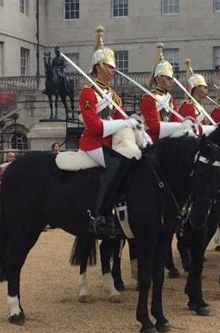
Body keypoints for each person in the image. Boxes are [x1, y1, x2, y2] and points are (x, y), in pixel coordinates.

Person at [79, 26, 140, 237]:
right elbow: (95, 126)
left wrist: (132, 122)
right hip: (93, 143)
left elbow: (117, 119)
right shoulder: (87, 92)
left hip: (110, 142)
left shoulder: (112, 95)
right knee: (116, 164)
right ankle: (98, 216)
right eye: (111, 67)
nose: (114, 70)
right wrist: (124, 124)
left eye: (114, 67)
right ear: (99, 67)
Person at [140, 43, 191, 142]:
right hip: (152, 141)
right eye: (168, 78)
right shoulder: (148, 98)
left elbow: (176, 119)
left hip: (169, 140)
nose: (171, 81)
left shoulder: (171, 99)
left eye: (171, 79)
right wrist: (179, 126)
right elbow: (154, 127)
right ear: (158, 79)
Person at [178, 58, 215, 135]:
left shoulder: (199, 106)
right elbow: (193, 129)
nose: (207, 89)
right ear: (197, 89)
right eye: (204, 87)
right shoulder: (188, 106)